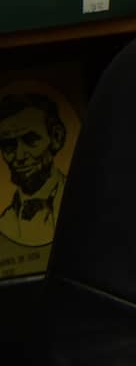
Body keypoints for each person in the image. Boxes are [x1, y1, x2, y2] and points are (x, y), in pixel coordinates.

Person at [0, 89, 68, 253]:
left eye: (31, 140)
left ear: (56, 137)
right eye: (9, 146)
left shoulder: (82, 200)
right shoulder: (5, 223)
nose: (19, 156)